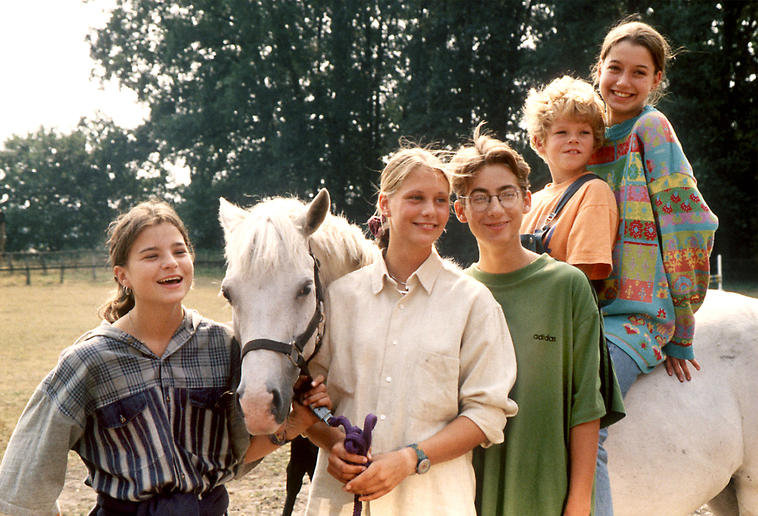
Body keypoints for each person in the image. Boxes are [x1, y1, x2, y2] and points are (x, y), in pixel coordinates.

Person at [0, 199, 330, 516]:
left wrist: (296, 422)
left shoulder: (225, 347)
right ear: (122, 275)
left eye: (179, 251)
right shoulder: (89, 361)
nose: (170, 262)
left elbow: (236, 458)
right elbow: (23, 486)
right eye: (151, 255)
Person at [303, 146, 518, 516]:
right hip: (341, 498)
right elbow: (307, 398)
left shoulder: (472, 302)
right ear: (385, 204)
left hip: (435, 503)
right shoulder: (340, 298)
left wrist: (409, 459)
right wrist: (331, 443)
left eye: (440, 200)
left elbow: (486, 414)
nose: (430, 211)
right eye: (415, 198)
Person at [450, 126, 622, 516]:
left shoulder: (567, 286)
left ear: (527, 200)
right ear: (460, 210)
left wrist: (579, 501)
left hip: (548, 496)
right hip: (467, 497)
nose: (495, 209)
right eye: (479, 198)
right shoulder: (454, 294)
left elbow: (586, 405)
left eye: (506, 194)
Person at [587, 18, 719, 516]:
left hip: (634, 316)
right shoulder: (586, 135)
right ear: (597, 69)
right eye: (614, 68)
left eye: (638, 73)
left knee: (584, 414)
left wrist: (682, 327)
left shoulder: (651, 128)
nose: (623, 82)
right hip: (581, 310)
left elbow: (686, 226)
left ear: (656, 81)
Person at [521, 75, 619, 281]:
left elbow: (579, 281)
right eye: (562, 132)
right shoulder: (531, 202)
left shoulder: (593, 192)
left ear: (595, 142)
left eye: (584, 132)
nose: (573, 139)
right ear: (539, 142)